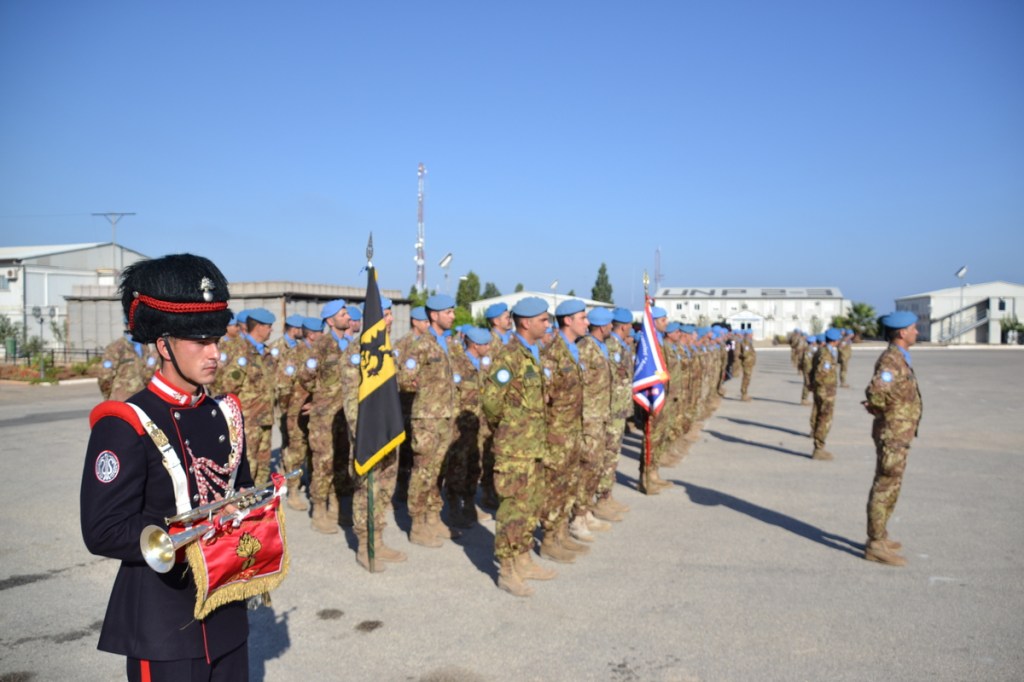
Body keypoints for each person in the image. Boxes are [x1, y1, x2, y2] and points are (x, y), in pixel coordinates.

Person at [81, 253, 252, 681]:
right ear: (164, 345)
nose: (214, 353)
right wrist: (186, 533)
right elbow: (103, 529)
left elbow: (240, 488)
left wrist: (247, 511)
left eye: (217, 340)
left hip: (226, 610)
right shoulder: (127, 422)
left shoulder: (226, 413)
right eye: (200, 342)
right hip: (162, 622)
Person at [481, 297, 553, 597]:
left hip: (534, 445)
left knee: (530, 505)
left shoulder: (532, 354)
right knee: (512, 508)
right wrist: (510, 428)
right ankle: (507, 570)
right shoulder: (508, 356)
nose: (548, 325)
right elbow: (491, 401)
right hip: (514, 447)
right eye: (544, 320)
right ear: (526, 322)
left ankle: (523, 558)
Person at [862, 311, 923, 567]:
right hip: (892, 434)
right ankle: (875, 543)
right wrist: (885, 414)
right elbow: (875, 394)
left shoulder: (900, 358)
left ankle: (881, 535)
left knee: (892, 485)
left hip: (900, 434)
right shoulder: (891, 360)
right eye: (913, 328)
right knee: (885, 485)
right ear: (901, 333)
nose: (916, 332)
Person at [809, 328, 842, 460]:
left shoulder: (822, 351)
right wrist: (822, 389)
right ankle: (819, 448)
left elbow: (812, 371)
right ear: (835, 340)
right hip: (825, 391)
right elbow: (820, 374)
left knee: (820, 416)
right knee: (825, 419)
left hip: (821, 390)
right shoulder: (826, 355)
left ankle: (818, 446)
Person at [96, 327, 148, 401]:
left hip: (141, 400)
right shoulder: (115, 347)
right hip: (121, 401)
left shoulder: (144, 347)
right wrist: (109, 395)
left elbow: (148, 374)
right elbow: (105, 376)